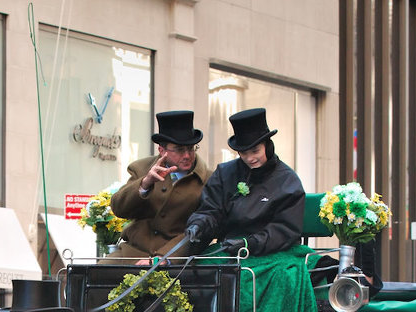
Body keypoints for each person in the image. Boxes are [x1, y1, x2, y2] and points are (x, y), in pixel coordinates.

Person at [184, 108, 305, 255]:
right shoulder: (224, 173)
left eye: (255, 151)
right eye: (243, 153)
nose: (250, 159)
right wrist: (199, 224)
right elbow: (210, 209)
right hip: (227, 249)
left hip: (273, 251)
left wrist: (250, 243)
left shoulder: (287, 181)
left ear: (267, 145)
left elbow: (284, 229)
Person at [107, 110, 211, 260]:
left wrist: (164, 258)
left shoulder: (209, 179)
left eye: (191, 148)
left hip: (177, 258)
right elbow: (119, 209)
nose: (187, 155)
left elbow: (204, 228)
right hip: (133, 253)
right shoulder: (140, 168)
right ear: (162, 151)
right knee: (90, 275)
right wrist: (145, 183)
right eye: (180, 150)